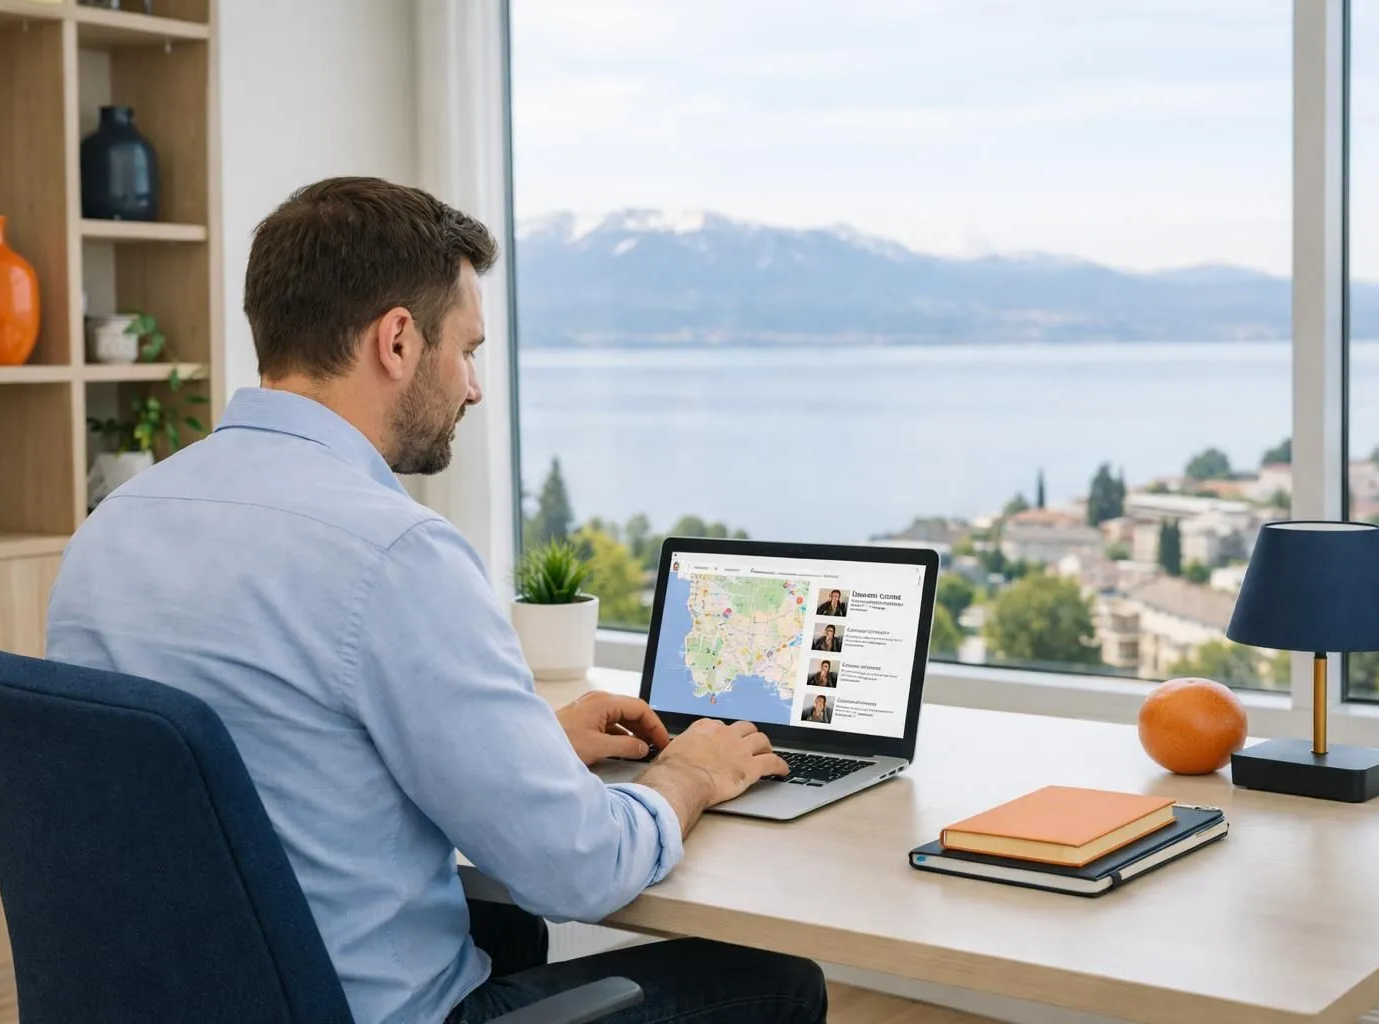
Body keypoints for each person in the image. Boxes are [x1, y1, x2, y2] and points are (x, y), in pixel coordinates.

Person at [44, 178, 827, 1024]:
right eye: (468, 349)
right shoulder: (391, 552)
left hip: (186, 996)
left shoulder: (115, 526)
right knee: (779, 981)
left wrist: (523, 747)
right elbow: (581, 871)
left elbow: (273, 765)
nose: (474, 387)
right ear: (398, 340)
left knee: (504, 928)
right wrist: (688, 776)